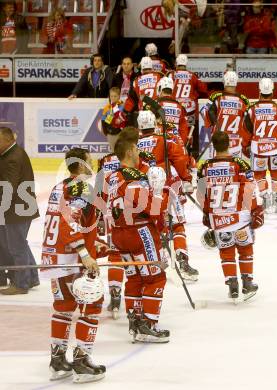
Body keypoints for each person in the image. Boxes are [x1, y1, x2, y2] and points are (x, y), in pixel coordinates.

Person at [41, 147, 106, 383]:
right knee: (93, 303)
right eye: (89, 161)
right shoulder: (81, 188)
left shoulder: (61, 186)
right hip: (72, 258)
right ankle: (81, 361)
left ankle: (58, 361)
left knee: (64, 305)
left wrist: (93, 241)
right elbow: (71, 222)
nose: (93, 164)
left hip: (55, 256)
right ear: (80, 165)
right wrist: (84, 252)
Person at [108, 127, 170, 343]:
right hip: (139, 232)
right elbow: (152, 210)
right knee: (155, 277)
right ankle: (148, 325)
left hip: (118, 234)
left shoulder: (112, 177)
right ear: (129, 151)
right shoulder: (133, 176)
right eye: (135, 148)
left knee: (134, 277)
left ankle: (135, 321)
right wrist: (159, 189)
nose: (138, 151)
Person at [197, 131, 264, 301]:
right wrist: (257, 210)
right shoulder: (240, 164)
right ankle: (247, 284)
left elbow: (202, 194)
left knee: (226, 253)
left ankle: (232, 285)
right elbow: (250, 189)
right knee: (245, 249)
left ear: (213, 145)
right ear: (229, 144)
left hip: (219, 218)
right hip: (240, 217)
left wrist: (207, 213)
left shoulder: (205, 167)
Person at [136, 110, 199, 281]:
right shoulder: (164, 140)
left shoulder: (133, 145)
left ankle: (157, 263)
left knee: (152, 226)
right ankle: (183, 261)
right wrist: (186, 178)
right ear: (154, 124)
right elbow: (179, 159)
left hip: (144, 191)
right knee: (177, 225)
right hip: (167, 187)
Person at [0, 127, 40, 294]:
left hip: (17, 210)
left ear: (8, 140)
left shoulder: (13, 158)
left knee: (17, 246)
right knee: (20, 243)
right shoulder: (11, 153)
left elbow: (9, 187)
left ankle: (21, 284)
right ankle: (31, 278)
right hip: (20, 207)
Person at [243, 78, 277, 212]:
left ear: (259, 90)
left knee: (259, 174)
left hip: (258, 148)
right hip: (276, 147)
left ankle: (264, 198)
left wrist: (245, 145)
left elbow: (246, 129)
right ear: (273, 91)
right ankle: (276, 199)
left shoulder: (252, 109)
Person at [203, 71, 250, 157]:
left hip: (218, 141)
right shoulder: (244, 100)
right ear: (236, 82)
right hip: (236, 142)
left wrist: (213, 124)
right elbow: (247, 123)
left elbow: (205, 111)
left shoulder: (216, 96)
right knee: (234, 168)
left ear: (224, 81)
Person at [168, 53, 207, 127]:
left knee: (174, 129)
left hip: (175, 107)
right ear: (186, 63)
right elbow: (203, 89)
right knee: (189, 130)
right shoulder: (192, 75)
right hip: (189, 109)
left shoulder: (171, 75)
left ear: (176, 63)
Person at [157, 76, 190, 145]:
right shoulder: (180, 107)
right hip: (175, 144)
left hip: (158, 143)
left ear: (160, 89)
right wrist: (182, 145)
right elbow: (183, 130)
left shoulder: (154, 105)